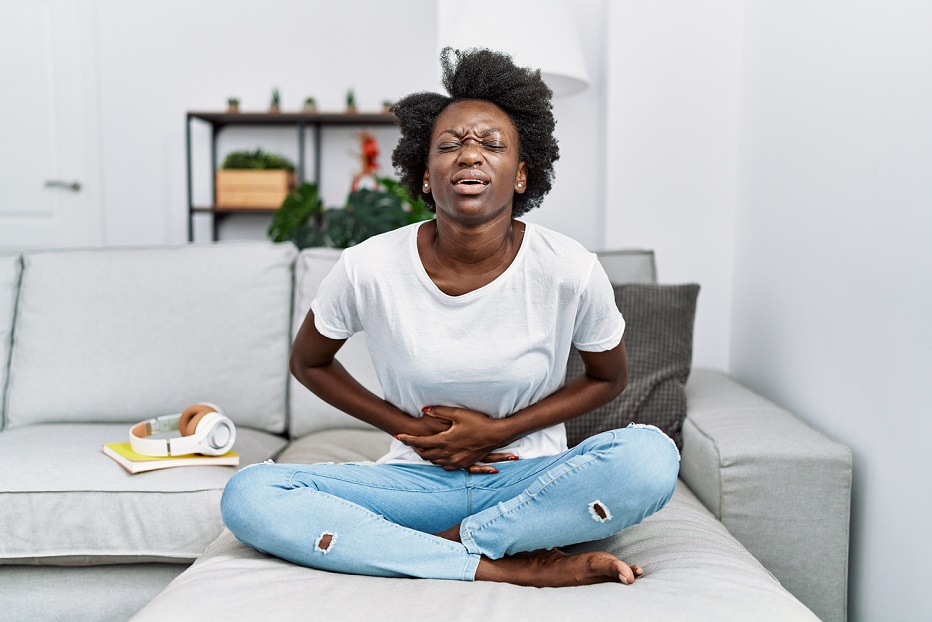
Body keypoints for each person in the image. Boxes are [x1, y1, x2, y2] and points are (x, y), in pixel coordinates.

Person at [221, 47, 680, 588]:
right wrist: (411, 431)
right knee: (249, 494)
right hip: (415, 483)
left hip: (531, 482)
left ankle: (451, 547)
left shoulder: (569, 269)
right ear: (423, 175)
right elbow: (309, 362)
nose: (470, 155)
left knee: (650, 456)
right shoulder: (368, 266)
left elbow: (610, 377)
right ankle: (502, 563)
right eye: (450, 145)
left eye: (492, 144)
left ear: (520, 175)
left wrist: (500, 430)